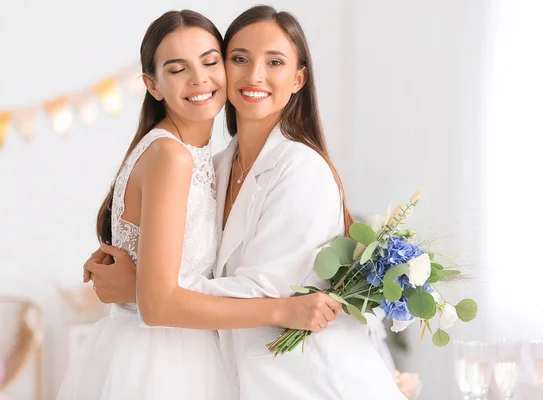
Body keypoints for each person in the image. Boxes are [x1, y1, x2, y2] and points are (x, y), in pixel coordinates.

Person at [58, 10, 341, 400]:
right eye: (239, 59)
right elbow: (160, 301)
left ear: (298, 78)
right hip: (164, 357)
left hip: (212, 358)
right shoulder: (184, 158)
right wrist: (144, 288)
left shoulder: (220, 160)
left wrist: (137, 286)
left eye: (209, 61)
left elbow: (256, 285)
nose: (200, 79)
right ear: (152, 86)